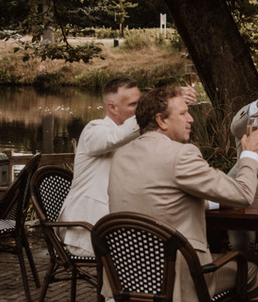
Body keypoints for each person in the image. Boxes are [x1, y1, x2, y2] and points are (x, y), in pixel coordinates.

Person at [108, 86, 258, 302]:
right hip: (176, 283)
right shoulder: (180, 154)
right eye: (183, 113)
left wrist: (213, 199)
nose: (191, 118)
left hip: (128, 280)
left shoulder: (121, 155)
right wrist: (249, 156)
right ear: (161, 120)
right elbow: (242, 195)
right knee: (249, 271)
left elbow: (158, 197)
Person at [58, 77, 196, 256]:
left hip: (125, 231)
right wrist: (159, 104)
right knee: (170, 257)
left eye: (141, 104)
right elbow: (116, 137)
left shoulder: (139, 137)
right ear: (112, 107)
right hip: (89, 233)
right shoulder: (94, 131)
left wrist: (174, 106)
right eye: (134, 105)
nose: (140, 110)